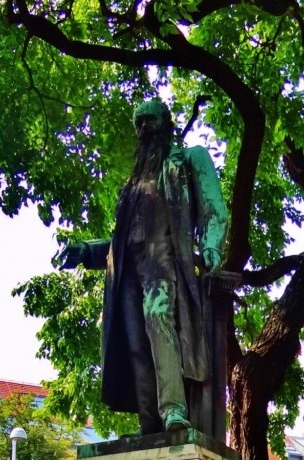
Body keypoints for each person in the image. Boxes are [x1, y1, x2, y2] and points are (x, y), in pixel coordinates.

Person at [60, 98, 228, 435]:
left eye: (150, 120)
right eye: (138, 123)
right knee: (136, 342)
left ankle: (173, 411)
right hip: (127, 274)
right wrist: (86, 251)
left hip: (166, 263)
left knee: (157, 317)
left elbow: (214, 209)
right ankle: (150, 422)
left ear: (167, 123)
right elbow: (120, 242)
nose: (144, 129)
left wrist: (211, 245)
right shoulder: (133, 185)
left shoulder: (188, 159)